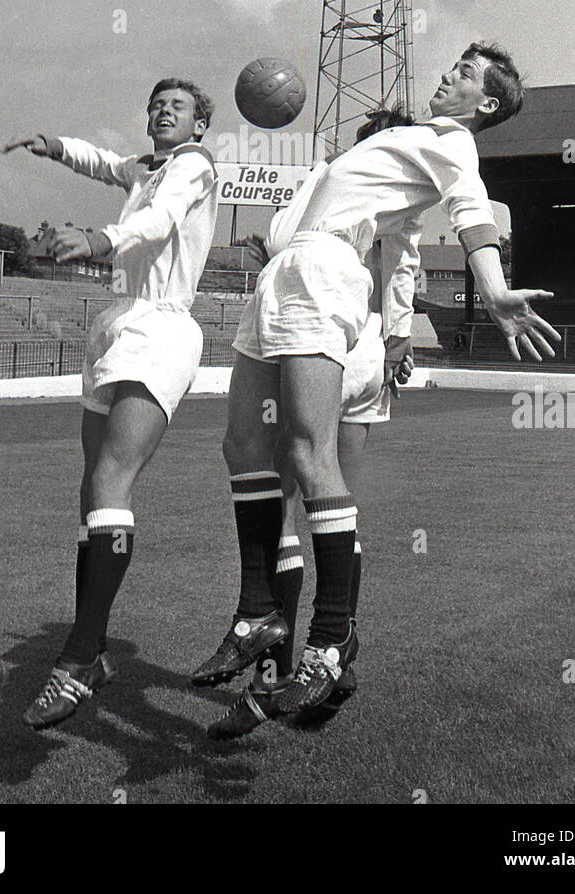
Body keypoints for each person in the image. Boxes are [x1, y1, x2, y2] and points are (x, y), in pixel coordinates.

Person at [197, 43, 561, 728]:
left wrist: (492, 288)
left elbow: (472, 213)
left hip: (323, 272)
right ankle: (255, 611)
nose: (448, 73)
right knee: (241, 443)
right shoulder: (409, 137)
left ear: (484, 103)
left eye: (464, 73)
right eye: (452, 63)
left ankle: (329, 641)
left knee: (309, 455)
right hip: (286, 273)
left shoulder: (453, 144)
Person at [2, 78, 218, 729]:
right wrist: (53, 146)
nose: (161, 111)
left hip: (162, 327)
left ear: (200, 126)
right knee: (91, 495)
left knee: (111, 480)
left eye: (176, 106)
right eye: (156, 104)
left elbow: (158, 220)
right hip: (116, 324)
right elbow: (102, 161)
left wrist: (99, 239)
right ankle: (92, 648)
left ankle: (74, 662)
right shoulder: (145, 168)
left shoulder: (195, 167)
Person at [196, 106, 417, 738]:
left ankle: (292, 659)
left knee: (300, 486)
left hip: (337, 342)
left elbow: (400, 262)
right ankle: (320, 659)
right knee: (319, 494)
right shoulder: (332, 182)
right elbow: (386, 265)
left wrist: (396, 335)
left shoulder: (377, 190)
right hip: (336, 338)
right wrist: (397, 339)